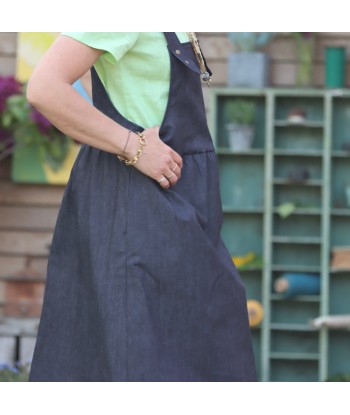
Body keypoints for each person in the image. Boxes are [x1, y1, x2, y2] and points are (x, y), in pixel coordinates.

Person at [27, 32, 257, 382]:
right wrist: (132, 145)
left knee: (208, 343)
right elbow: (44, 87)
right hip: (137, 208)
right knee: (139, 356)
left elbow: (97, 74)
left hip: (181, 205)